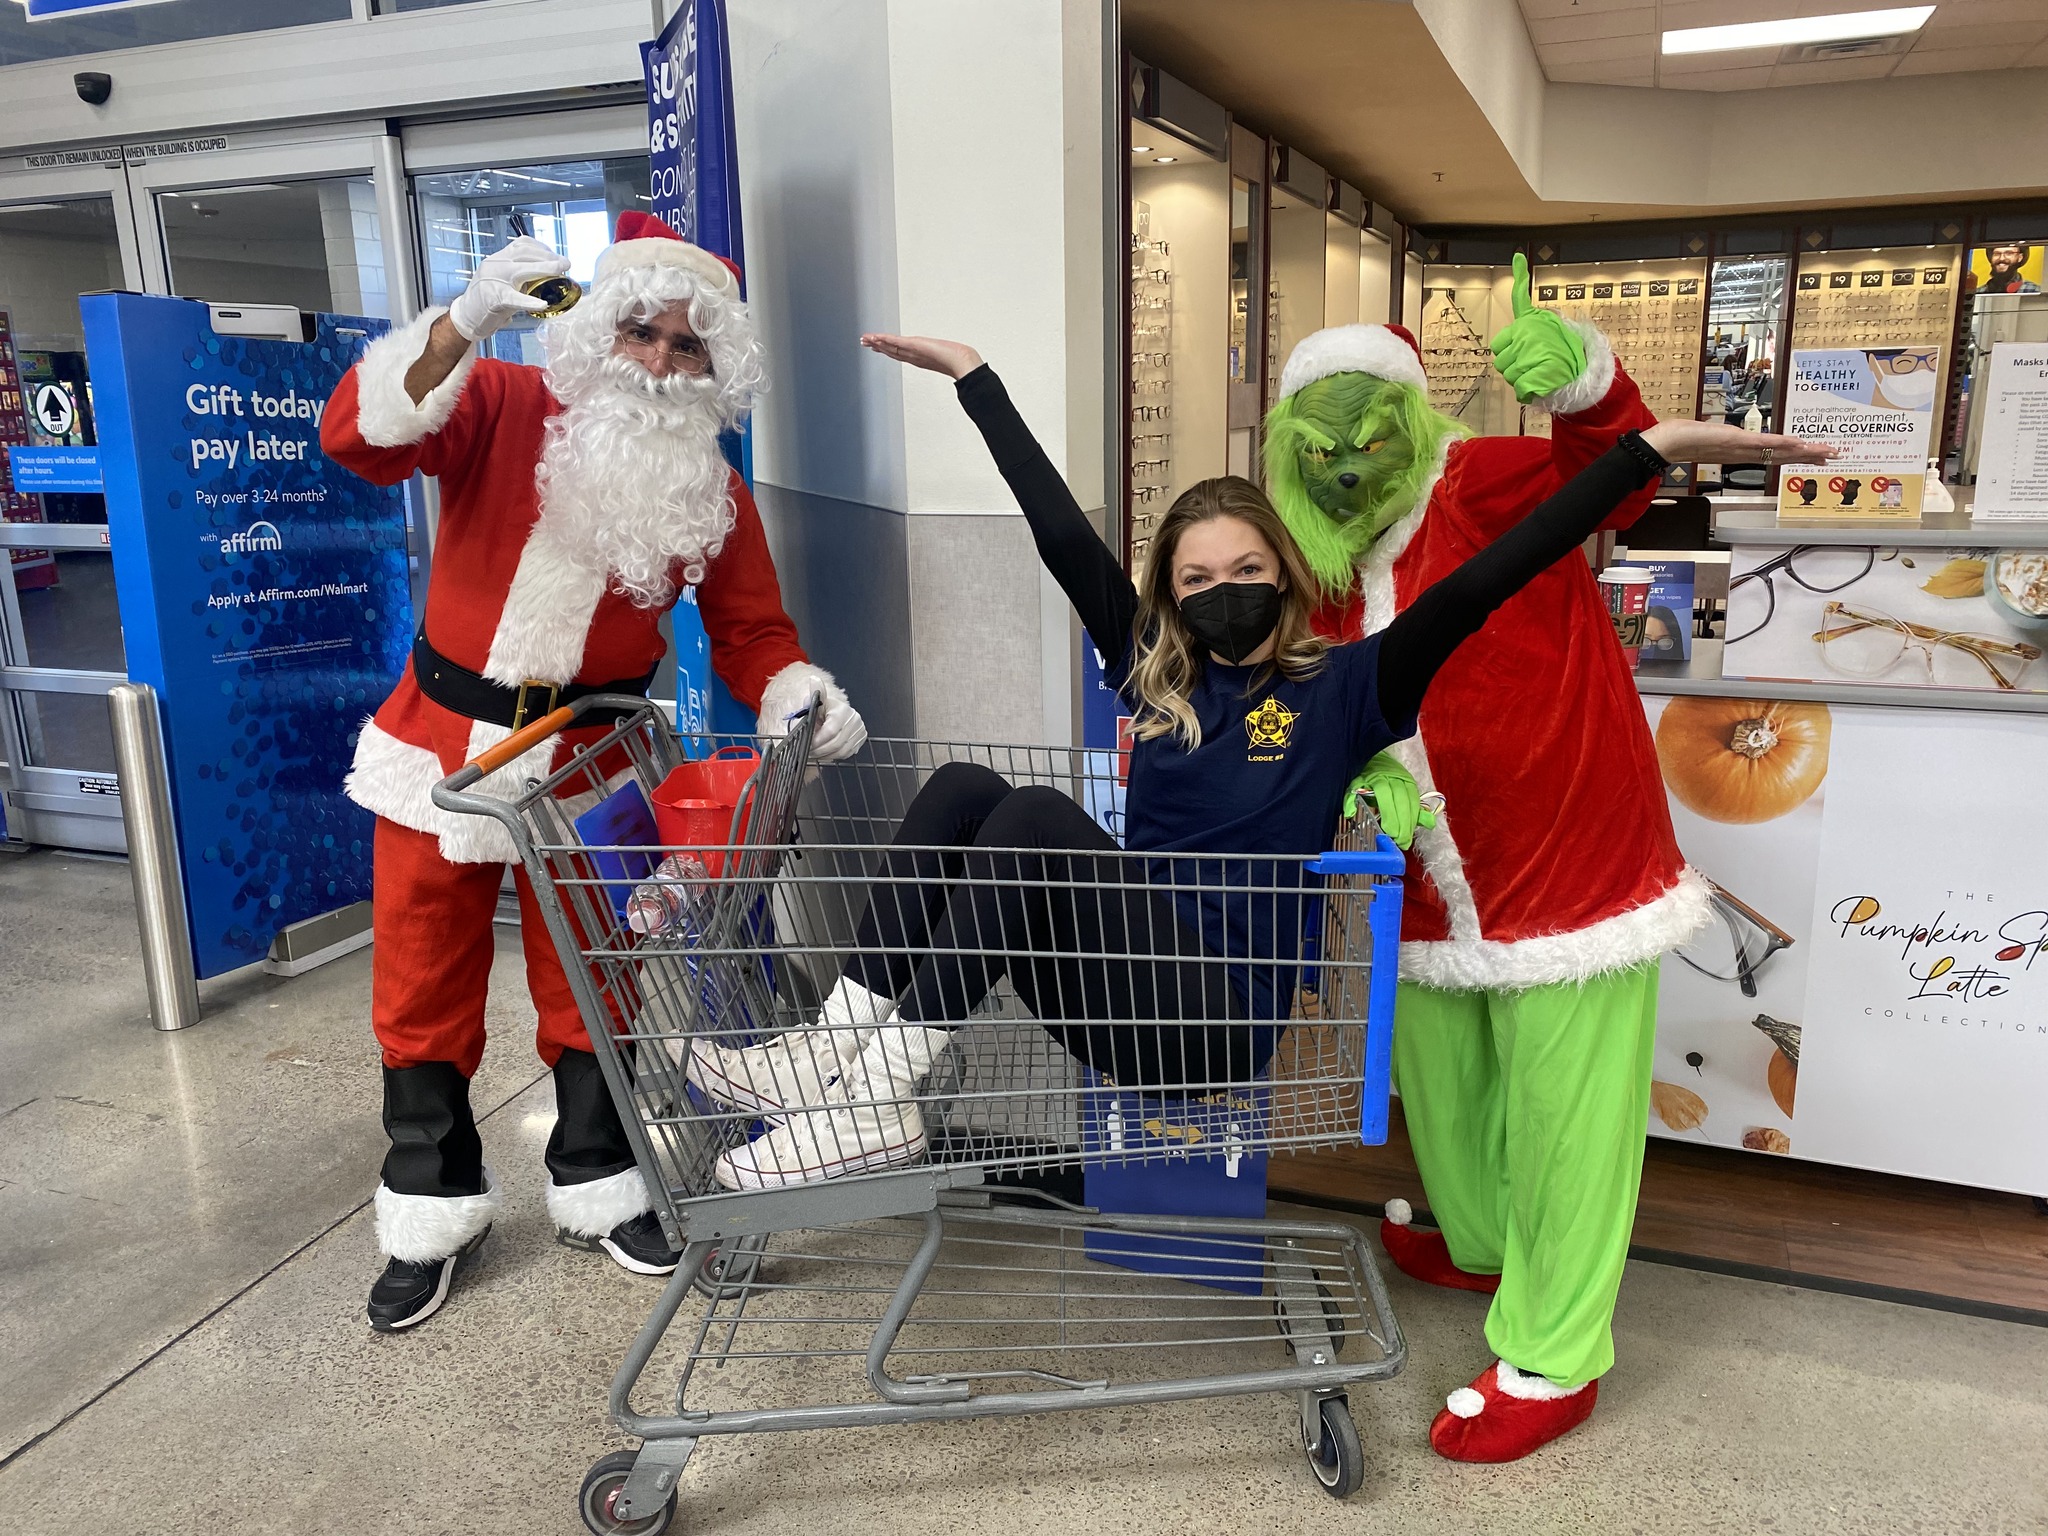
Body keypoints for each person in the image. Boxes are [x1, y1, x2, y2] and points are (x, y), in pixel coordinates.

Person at [685, 332, 1827, 1285]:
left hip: (1216, 1014)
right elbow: (1061, 536)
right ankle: (832, 1057)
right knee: (963, 792)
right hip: (1117, 986)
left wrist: (1647, 449)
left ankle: (876, 1099)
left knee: (1028, 817)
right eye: (1194, 579)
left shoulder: (1349, 684)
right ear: (1168, 595)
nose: (1220, 593)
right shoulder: (1155, 669)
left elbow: (1497, 573)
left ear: (1283, 573)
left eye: (1243, 571)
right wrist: (978, 381)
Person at [1258, 254, 1797, 1463]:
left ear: (1411, 424)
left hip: (1567, 866)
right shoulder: (1312, 559)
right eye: (1319, 449)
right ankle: (1482, 1246)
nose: (1345, 469)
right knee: (1446, 1093)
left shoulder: (1481, 482)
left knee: (1563, 1118)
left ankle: (1554, 1354)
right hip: (1426, 889)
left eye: (1366, 442)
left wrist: (1585, 384)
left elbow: (1607, 477)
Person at [320, 211, 866, 1332]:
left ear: (715, 365)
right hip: (437, 748)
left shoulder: (710, 488)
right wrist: (460, 324)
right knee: (420, 984)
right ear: (598, 331)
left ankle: (598, 1178)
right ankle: (431, 1206)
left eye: (687, 345)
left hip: (591, 761)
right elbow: (358, 438)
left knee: (596, 980)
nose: (659, 362)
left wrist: (791, 691)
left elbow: (753, 630)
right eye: (640, 332)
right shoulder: (497, 400)